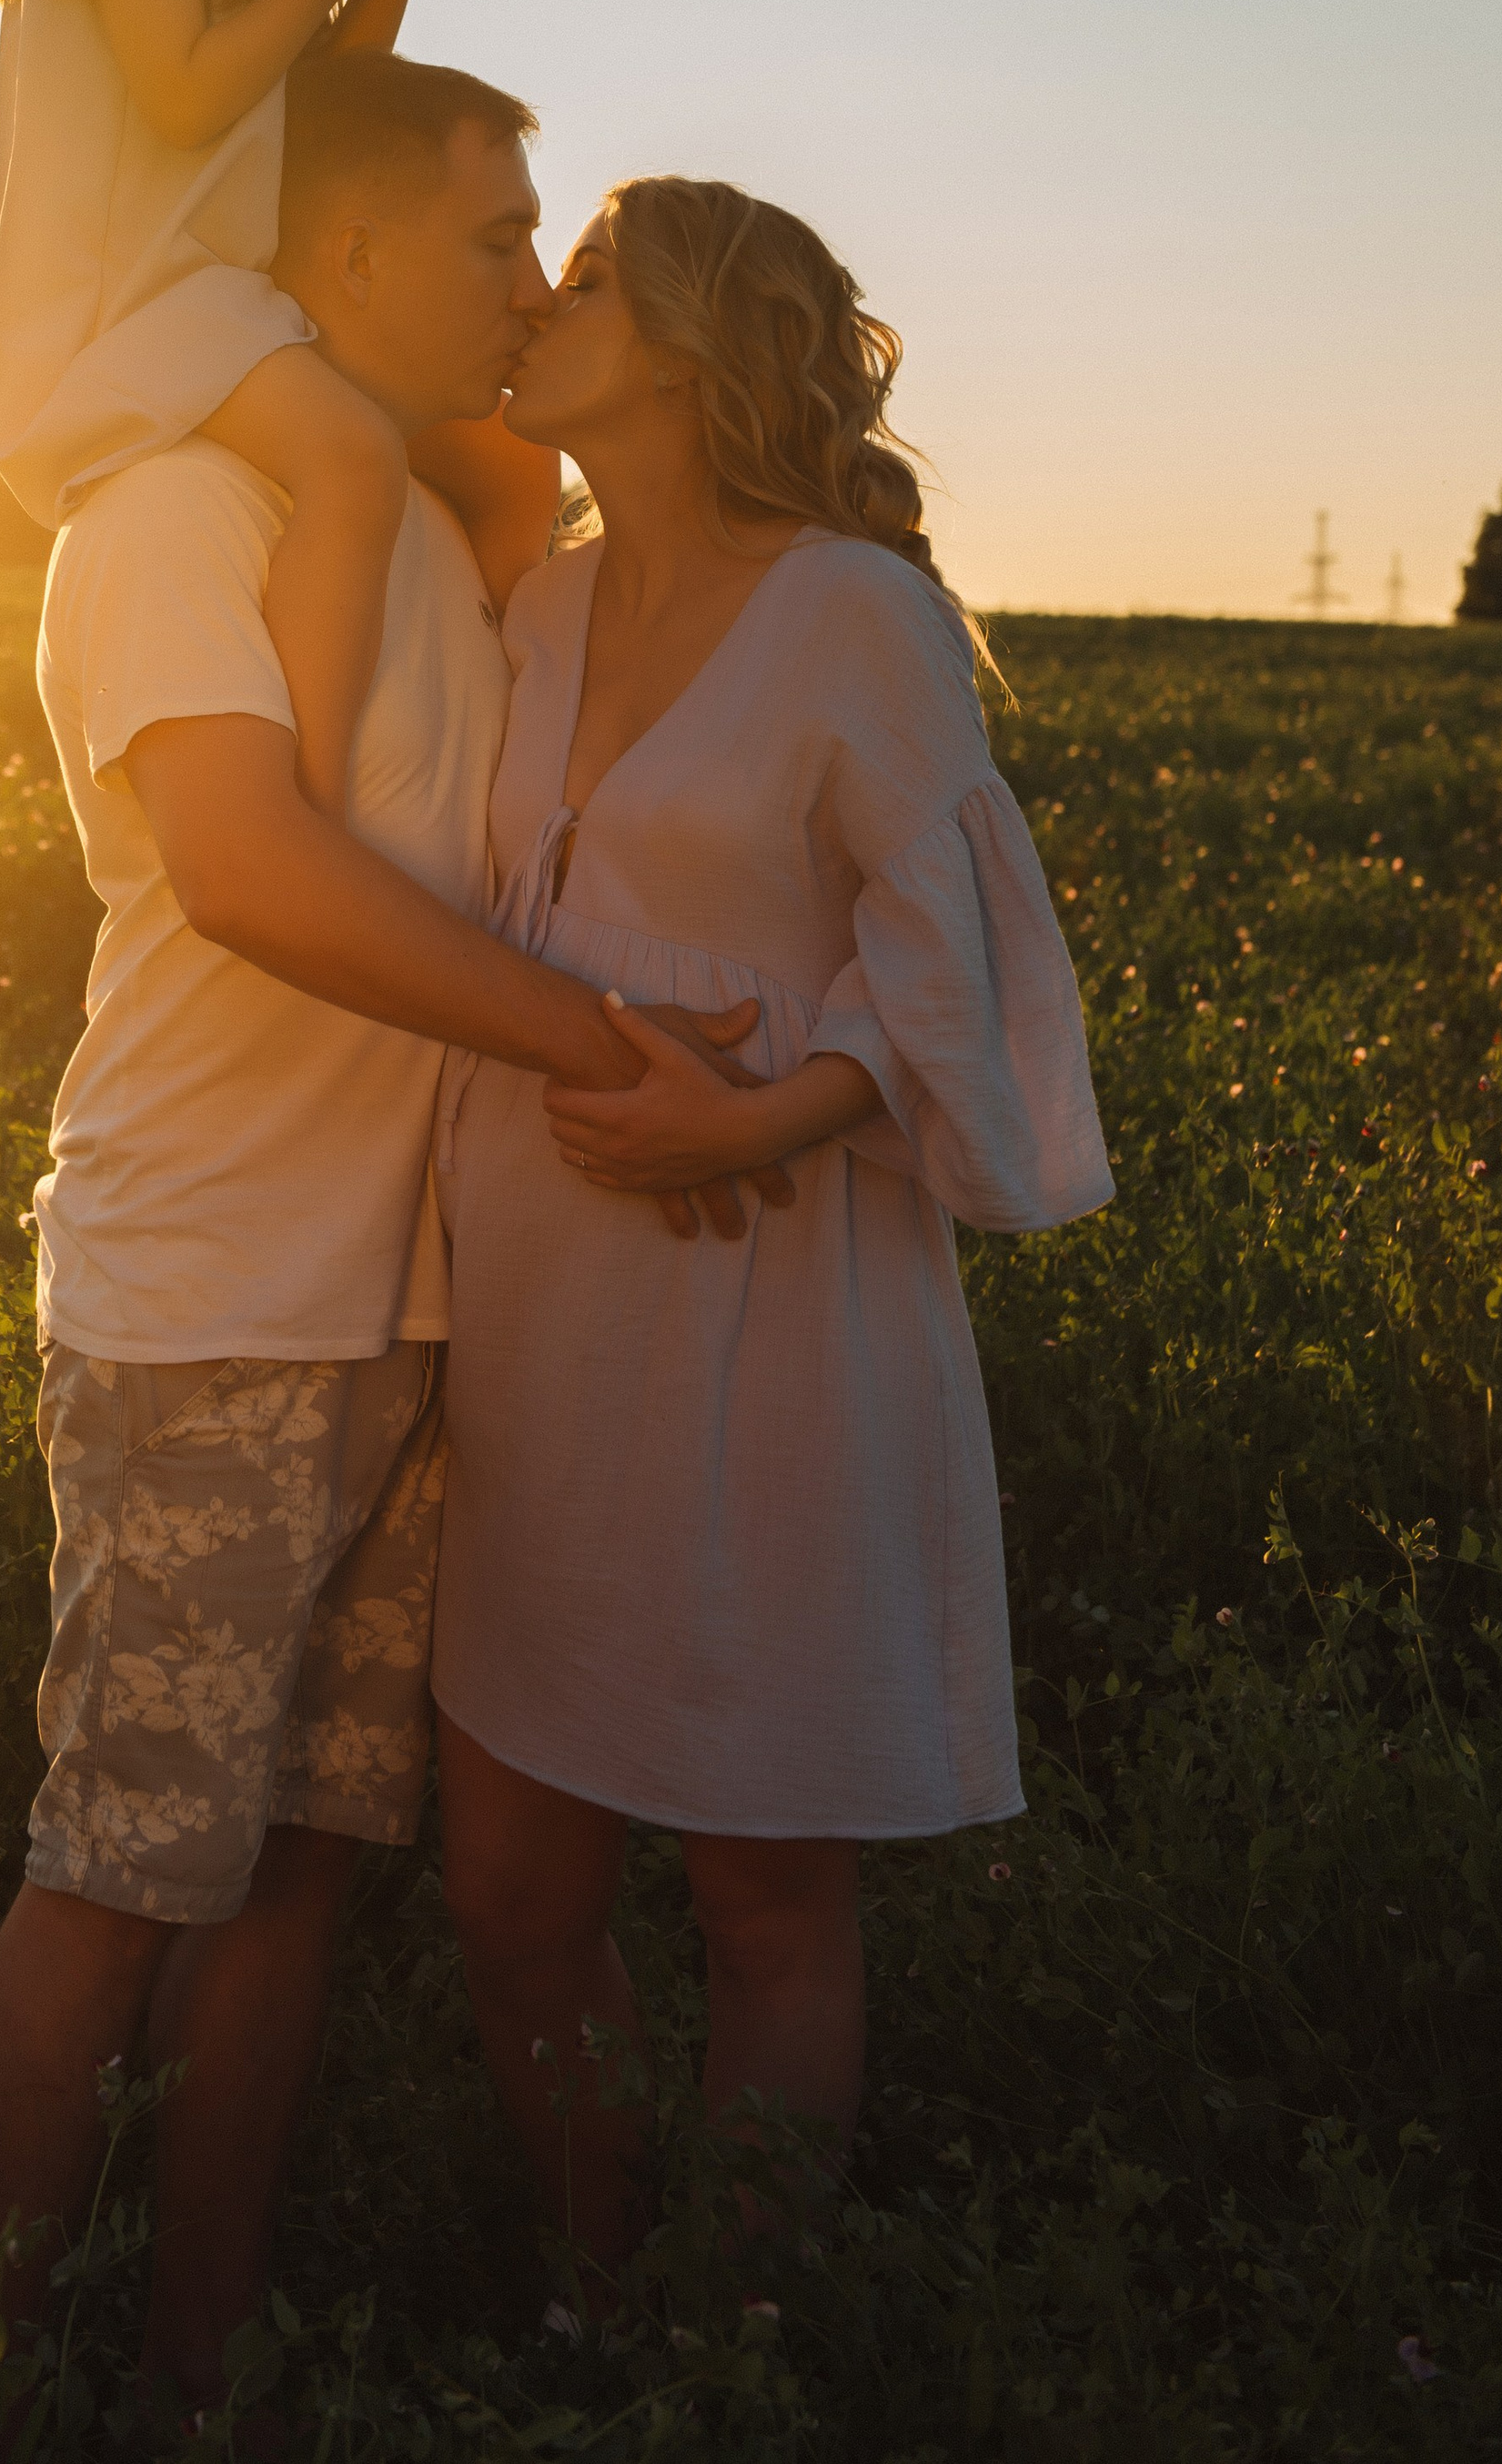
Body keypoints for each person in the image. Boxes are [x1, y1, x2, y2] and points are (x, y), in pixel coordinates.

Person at [0, 60, 768, 2410]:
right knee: (116, 1882)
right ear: (346, 255)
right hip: (210, 1305)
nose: (528, 279)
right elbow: (248, 871)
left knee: (295, 1877)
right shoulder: (169, 512)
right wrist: (606, 1044)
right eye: (497, 235)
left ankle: (194, 2379)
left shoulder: (427, 533)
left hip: (410, 1320)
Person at [430, 175, 1114, 2275]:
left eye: (582, 276)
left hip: (776, 1306)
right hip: (536, 1320)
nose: (534, 302)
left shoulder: (848, 612)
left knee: (763, 1895)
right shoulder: (532, 606)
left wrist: (755, 1120)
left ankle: (725, 2358)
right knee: (510, 1891)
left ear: (687, 344)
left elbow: (950, 959)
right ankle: (589, 2294)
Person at [0, 0, 529, 812]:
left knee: (496, 449)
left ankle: (520, 751)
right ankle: (314, 800)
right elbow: (186, 95)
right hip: (132, 310)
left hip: (225, 295)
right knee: (353, 459)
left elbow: (309, 129)